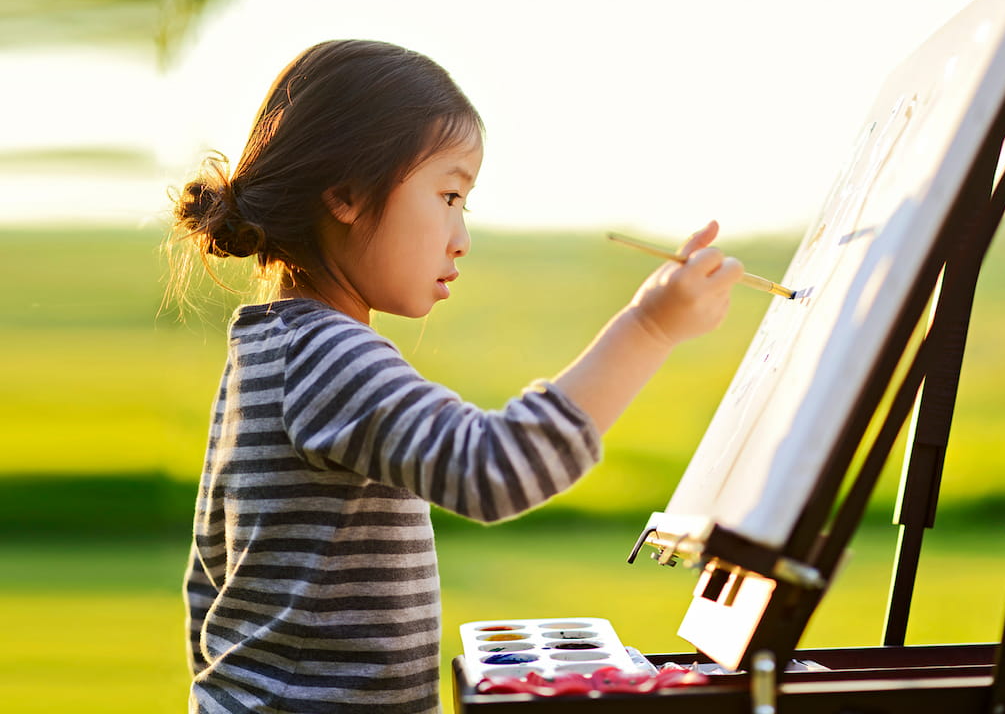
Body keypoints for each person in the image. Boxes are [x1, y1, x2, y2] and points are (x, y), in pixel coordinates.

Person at [168, 39, 744, 714]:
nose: (460, 235)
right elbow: (492, 469)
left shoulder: (270, 349)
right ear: (347, 195)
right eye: (448, 194)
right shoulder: (329, 358)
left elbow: (210, 582)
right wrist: (650, 327)